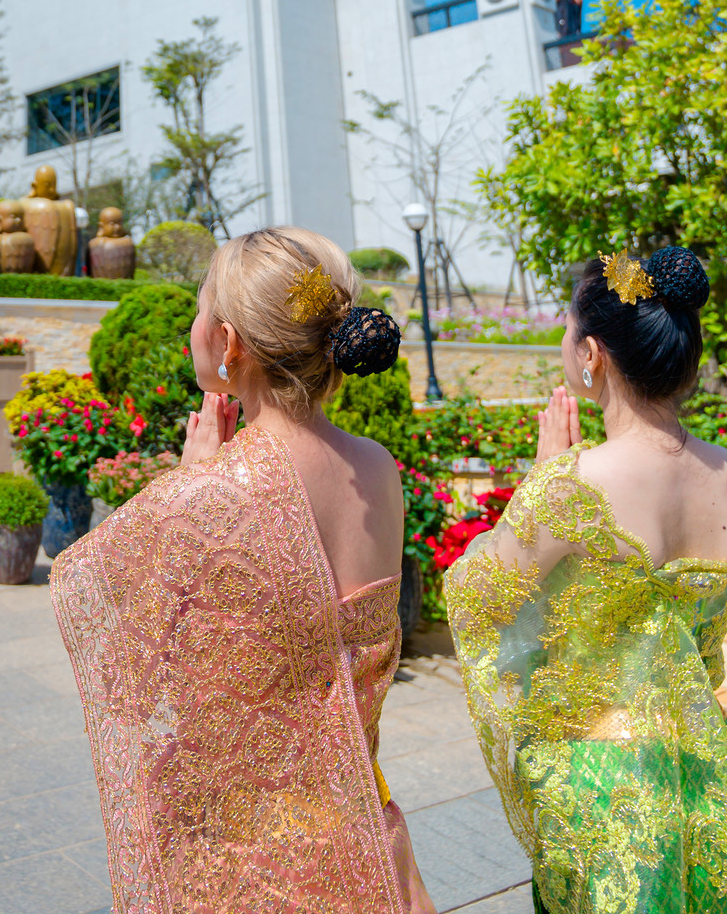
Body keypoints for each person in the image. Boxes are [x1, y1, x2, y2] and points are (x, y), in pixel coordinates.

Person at [51, 226, 435, 913]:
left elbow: (131, 643)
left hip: (252, 862)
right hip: (364, 833)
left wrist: (188, 489)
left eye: (202, 309)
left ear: (229, 344)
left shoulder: (210, 493)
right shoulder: (377, 467)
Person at [445, 244, 727, 914]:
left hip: (600, 786)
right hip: (710, 771)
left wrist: (539, 481)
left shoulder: (573, 486)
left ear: (593, 355)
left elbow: (477, 596)